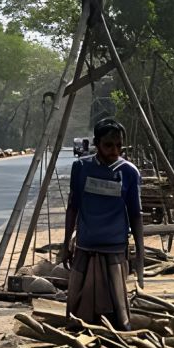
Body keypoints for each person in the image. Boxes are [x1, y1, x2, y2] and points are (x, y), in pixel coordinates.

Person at [61, 117, 145, 331]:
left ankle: (119, 336)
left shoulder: (129, 172)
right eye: (108, 145)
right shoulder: (81, 168)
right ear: (97, 144)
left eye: (119, 145)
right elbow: (73, 207)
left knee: (118, 309)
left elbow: (135, 215)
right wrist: (65, 244)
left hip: (114, 248)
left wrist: (140, 253)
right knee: (77, 309)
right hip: (85, 246)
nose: (114, 150)